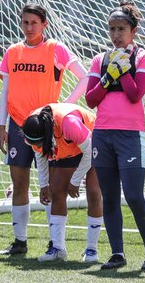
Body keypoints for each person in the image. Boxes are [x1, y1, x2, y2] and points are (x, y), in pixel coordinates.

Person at [0, 3, 86, 256]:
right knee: (19, 181)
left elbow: (85, 76)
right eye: (25, 22)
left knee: (52, 185)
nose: (29, 27)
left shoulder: (55, 49)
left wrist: (65, 106)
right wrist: (3, 124)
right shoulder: (13, 51)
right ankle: (20, 242)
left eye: (34, 22)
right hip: (17, 124)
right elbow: (5, 91)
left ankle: (54, 243)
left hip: (47, 127)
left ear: (44, 24)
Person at [84, 1, 145, 271]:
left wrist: (125, 70)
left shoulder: (144, 58)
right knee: (109, 195)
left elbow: (134, 94)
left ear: (134, 31)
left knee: (133, 195)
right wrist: (108, 76)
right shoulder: (100, 59)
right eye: (112, 29)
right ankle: (117, 253)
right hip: (103, 134)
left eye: (121, 29)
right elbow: (91, 99)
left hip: (130, 135)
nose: (116, 35)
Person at [20, 103, 102, 263]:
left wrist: (75, 180)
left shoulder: (69, 124)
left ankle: (92, 250)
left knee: (93, 191)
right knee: (55, 190)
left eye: (38, 143)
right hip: (70, 146)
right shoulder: (34, 123)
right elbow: (40, 154)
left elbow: (90, 152)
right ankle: (58, 248)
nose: (36, 146)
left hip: (93, 143)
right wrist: (44, 184)